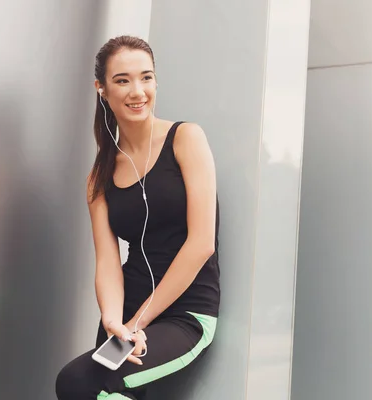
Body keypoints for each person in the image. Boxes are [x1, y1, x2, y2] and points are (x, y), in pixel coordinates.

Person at [55, 35, 221, 400]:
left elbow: (201, 244)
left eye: (146, 77)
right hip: (126, 317)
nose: (137, 91)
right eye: (122, 80)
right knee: (80, 385)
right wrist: (115, 321)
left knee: (90, 384)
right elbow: (108, 262)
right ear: (102, 89)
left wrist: (138, 322)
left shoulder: (185, 139)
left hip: (184, 314)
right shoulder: (99, 176)